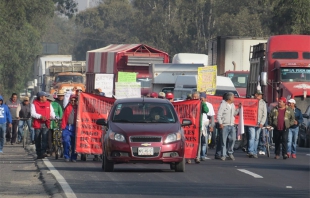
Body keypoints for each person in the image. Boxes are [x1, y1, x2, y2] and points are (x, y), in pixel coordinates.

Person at [31, 92, 56, 159]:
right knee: (37, 138)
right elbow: (33, 113)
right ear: (41, 97)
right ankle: (39, 153)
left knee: (45, 138)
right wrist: (40, 116)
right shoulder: (34, 104)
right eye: (45, 96)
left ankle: (43, 152)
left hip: (46, 123)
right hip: (37, 123)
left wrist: (54, 117)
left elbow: (52, 112)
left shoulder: (48, 104)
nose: (46, 98)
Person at [217, 92, 241, 161]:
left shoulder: (232, 105)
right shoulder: (223, 105)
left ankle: (230, 152)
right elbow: (219, 115)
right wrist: (221, 123)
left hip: (232, 125)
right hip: (225, 125)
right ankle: (223, 155)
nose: (234, 99)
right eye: (233, 97)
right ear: (229, 98)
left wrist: (238, 109)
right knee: (223, 141)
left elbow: (234, 114)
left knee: (233, 139)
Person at [247, 90, 267, 158]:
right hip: (251, 122)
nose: (260, 96)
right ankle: (250, 151)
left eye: (261, 95)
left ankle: (255, 151)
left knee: (256, 138)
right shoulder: (250, 101)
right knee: (252, 136)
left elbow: (265, 114)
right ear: (255, 95)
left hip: (259, 122)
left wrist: (262, 123)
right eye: (259, 94)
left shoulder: (263, 103)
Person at [192, 92, 209, 163]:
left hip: (198, 126)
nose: (195, 98)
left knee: (197, 143)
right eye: (194, 97)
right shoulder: (189, 103)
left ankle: (197, 157)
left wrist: (203, 103)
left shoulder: (200, 104)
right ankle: (188, 158)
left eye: (196, 97)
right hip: (190, 126)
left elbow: (206, 110)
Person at [61, 95, 78, 162]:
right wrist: (63, 127)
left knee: (74, 143)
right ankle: (66, 156)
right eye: (72, 100)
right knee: (66, 141)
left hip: (75, 127)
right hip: (67, 127)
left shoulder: (78, 108)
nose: (73, 102)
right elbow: (64, 118)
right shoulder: (67, 108)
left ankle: (73, 157)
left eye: (74, 100)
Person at [200, 92, 215, 160]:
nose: (201, 100)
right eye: (200, 98)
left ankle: (203, 154)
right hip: (198, 125)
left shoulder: (209, 105)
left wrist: (212, 126)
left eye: (202, 99)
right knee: (199, 141)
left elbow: (212, 116)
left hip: (205, 125)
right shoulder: (196, 104)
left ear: (206, 99)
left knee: (204, 141)